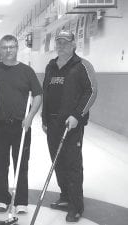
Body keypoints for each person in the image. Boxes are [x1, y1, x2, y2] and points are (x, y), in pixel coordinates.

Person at [42, 30, 97, 222]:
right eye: (59, 42)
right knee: (58, 162)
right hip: (53, 123)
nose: (61, 45)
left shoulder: (82, 65)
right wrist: (44, 119)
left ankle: (76, 205)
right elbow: (46, 92)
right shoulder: (51, 66)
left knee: (72, 164)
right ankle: (65, 197)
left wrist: (76, 115)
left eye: (65, 42)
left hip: (71, 125)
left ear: (74, 44)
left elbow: (91, 92)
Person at [0, 35, 42, 214]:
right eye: (4, 47)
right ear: (0, 50)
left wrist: (30, 117)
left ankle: (21, 201)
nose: (8, 50)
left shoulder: (27, 71)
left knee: (21, 164)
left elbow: (38, 95)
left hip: (21, 125)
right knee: (0, 163)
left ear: (17, 48)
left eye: (11, 47)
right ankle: (2, 199)